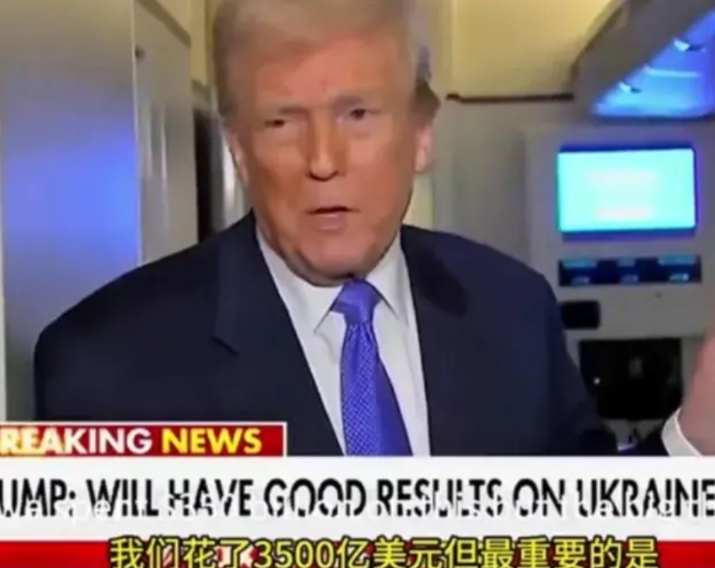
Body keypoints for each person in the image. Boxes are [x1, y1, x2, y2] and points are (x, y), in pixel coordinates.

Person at [33, 0, 715, 456]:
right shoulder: (101, 366)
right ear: (238, 148)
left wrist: (693, 440)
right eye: (282, 121)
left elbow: (589, 533)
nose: (322, 160)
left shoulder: (511, 310)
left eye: (357, 115)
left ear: (421, 133)